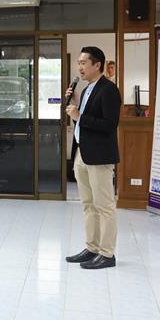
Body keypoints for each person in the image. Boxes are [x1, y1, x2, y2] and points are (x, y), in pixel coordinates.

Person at [65, 46, 121, 270]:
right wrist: (75, 111)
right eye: (78, 63)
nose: (79, 67)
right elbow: (84, 120)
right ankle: (92, 247)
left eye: (83, 63)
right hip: (83, 152)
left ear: (97, 65)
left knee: (104, 206)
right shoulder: (87, 89)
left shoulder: (108, 90)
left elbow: (109, 125)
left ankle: (107, 254)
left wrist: (80, 116)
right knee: (88, 204)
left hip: (99, 156)